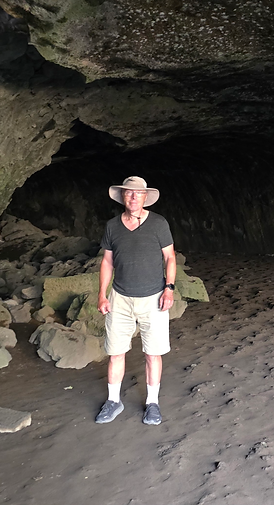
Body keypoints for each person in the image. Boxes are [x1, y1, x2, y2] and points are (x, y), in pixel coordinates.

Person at [95, 176, 177, 426]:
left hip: (153, 298)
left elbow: (170, 258)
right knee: (115, 352)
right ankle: (113, 401)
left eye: (138, 193)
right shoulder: (112, 226)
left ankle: (152, 403)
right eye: (128, 193)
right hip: (120, 298)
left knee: (153, 354)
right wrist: (102, 293)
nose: (133, 197)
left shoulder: (159, 224)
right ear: (122, 197)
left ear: (144, 197)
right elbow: (107, 262)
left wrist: (169, 289)